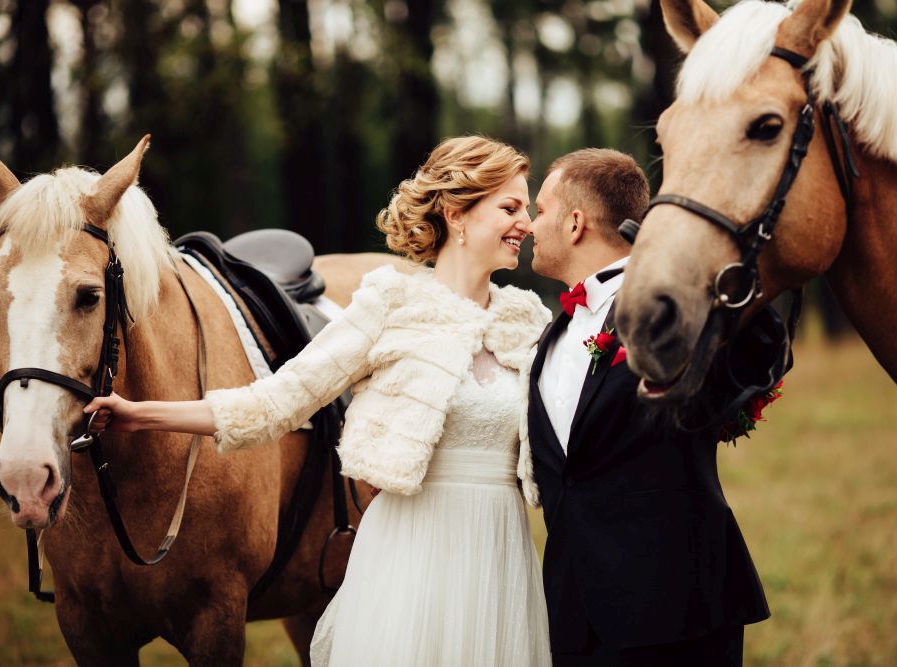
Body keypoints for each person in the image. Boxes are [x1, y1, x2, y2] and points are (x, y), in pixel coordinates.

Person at [85, 136, 553, 666]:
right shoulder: (389, 303)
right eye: (511, 207)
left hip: (501, 554)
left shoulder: (528, 320)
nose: (528, 224)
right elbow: (276, 403)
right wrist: (139, 414)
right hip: (414, 555)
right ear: (457, 213)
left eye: (530, 210)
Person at [526, 148, 769, 666]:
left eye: (540, 210)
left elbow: (751, 359)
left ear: (575, 223)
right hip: (573, 622)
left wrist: (706, 277)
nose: (529, 224)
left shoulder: (675, 313)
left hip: (676, 616)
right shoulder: (549, 337)